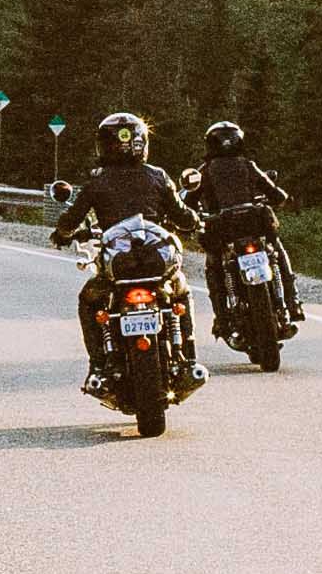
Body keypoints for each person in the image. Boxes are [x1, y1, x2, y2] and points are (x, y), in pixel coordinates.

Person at [47, 111, 201, 390]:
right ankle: (188, 356)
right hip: (156, 259)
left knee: (89, 300)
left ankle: (98, 364)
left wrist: (62, 234)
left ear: (103, 145)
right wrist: (194, 221)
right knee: (181, 290)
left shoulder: (99, 179)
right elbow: (181, 215)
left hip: (118, 262)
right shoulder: (158, 176)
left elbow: (72, 218)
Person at [184, 119, 304, 328]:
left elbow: (189, 203)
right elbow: (275, 193)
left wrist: (192, 216)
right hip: (253, 222)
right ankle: (293, 302)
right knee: (276, 251)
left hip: (221, 227)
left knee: (214, 265)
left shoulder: (205, 171)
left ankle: (221, 318)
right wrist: (280, 198)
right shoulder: (247, 165)